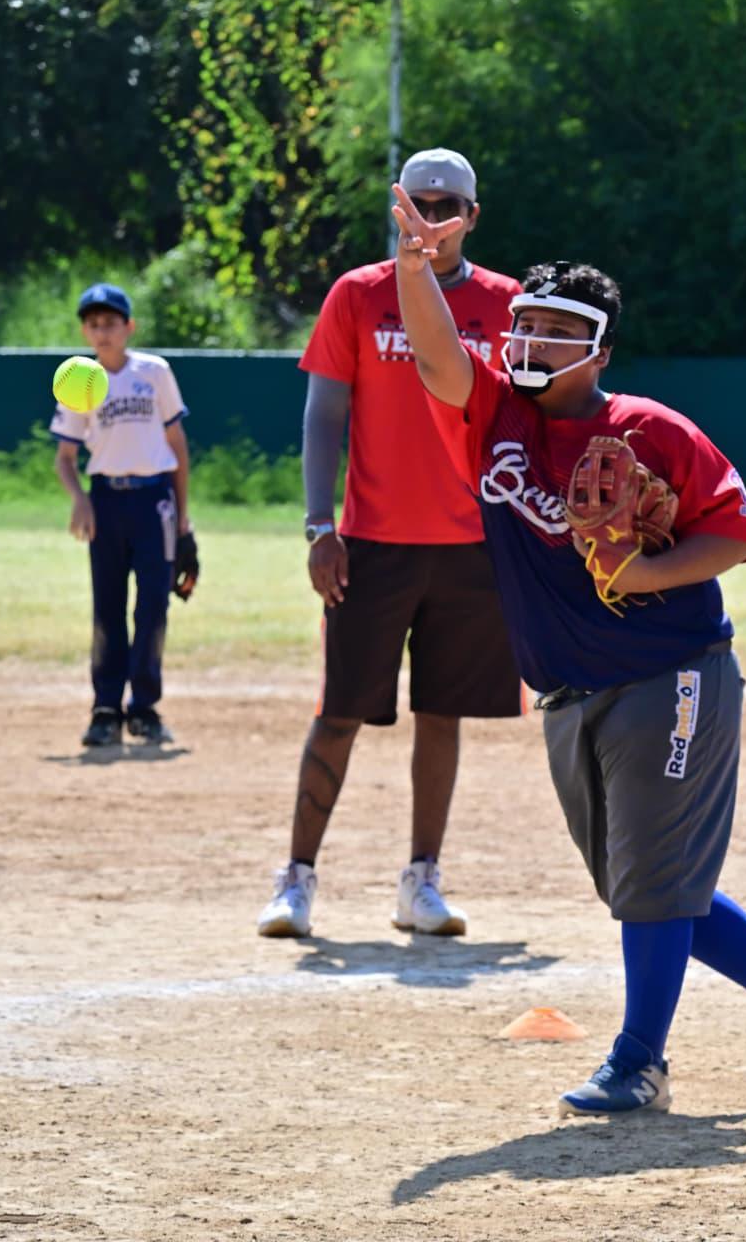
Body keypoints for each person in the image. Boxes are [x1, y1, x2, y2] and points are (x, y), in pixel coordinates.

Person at [390, 184, 746, 1115]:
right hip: (569, 692)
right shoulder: (498, 414)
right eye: (523, 323)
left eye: (556, 329)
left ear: (600, 350)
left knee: (655, 886)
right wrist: (419, 269)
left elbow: (738, 533)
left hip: (671, 671)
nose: (529, 341)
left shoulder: (646, 429)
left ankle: (639, 1064)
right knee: (648, 889)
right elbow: (441, 361)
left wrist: (641, 574)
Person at [257, 148, 524, 941]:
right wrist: (318, 526)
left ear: (472, 216)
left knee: (443, 713)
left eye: (449, 205)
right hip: (371, 543)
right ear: (398, 207)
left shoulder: (505, 305)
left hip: (472, 547)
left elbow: (521, 425)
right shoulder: (358, 295)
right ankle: (297, 879)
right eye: (420, 201)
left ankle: (421, 882)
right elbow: (323, 416)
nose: (433, 217)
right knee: (340, 711)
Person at [51, 282, 191, 748]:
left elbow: (177, 447)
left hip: (154, 501)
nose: (103, 331)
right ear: (84, 332)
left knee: (154, 604)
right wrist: (80, 499)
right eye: (93, 324)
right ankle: (106, 707)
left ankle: (144, 707)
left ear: (129, 326)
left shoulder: (153, 373)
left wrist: (184, 520)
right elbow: (66, 458)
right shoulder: (79, 380)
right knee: (107, 608)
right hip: (106, 501)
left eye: (111, 322)